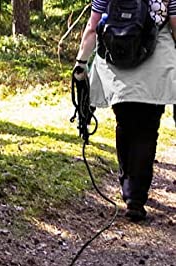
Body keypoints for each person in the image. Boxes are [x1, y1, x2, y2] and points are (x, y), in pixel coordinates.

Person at [74, 0, 176, 222]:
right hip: (156, 67)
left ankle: (128, 187)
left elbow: (93, 27)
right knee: (148, 130)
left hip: (116, 62)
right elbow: (175, 25)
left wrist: (81, 62)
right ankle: (136, 198)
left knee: (125, 123)